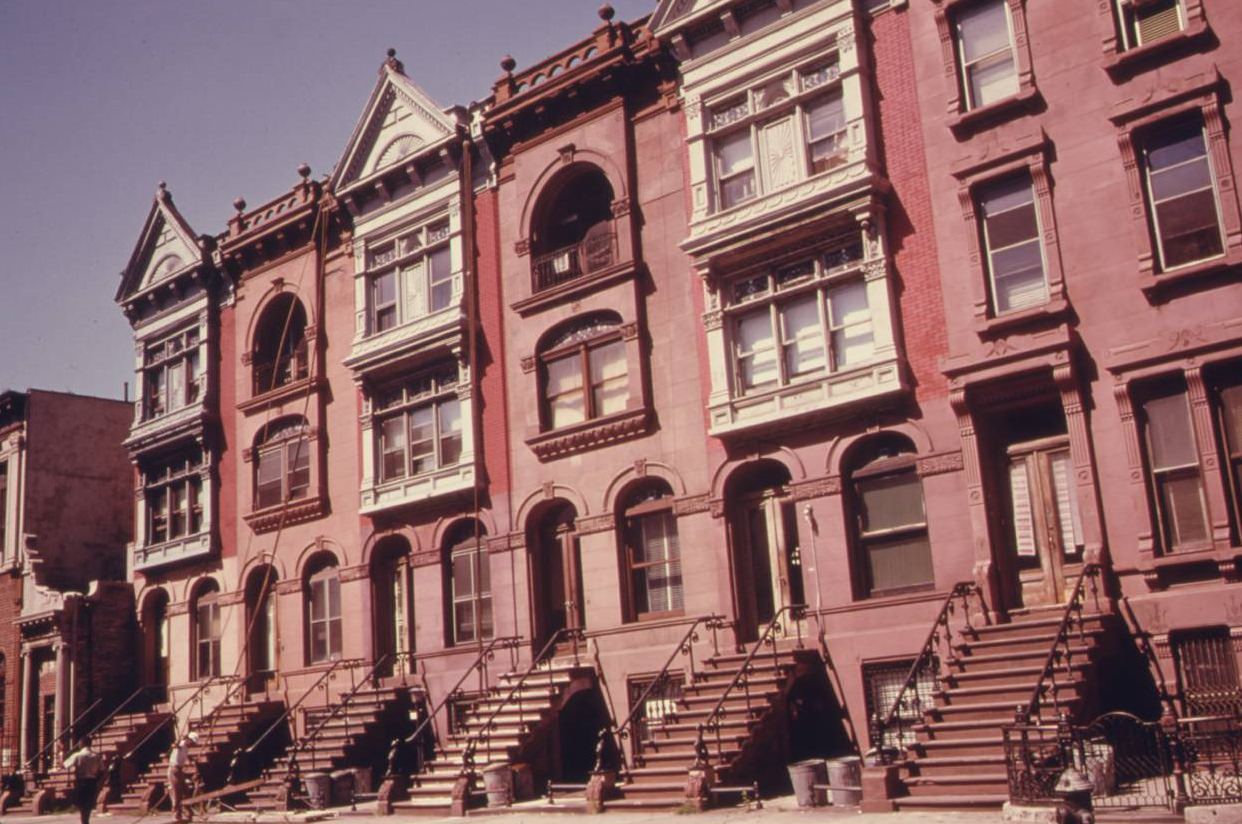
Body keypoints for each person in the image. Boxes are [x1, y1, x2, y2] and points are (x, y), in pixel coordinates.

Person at [63, 736, 106, 824]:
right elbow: (102, 770)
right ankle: (86, 820)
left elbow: (65, 765)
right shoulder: (96, 756)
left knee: (82, 805)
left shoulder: (78, 755)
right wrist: (97, 780)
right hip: (92, 782)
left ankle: (84, 821)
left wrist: (62, 753)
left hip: (81, 782)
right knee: (88, 804)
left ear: (82, 744)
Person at [167, 730, 198, 822]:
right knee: (176, 793)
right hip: (174, 770)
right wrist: (175, 744)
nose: (192, 745)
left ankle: (188, 813)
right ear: (189, 740)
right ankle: (176, 816)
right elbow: (175, 746)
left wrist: (190, 761)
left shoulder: (186, 747)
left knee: (186, 791)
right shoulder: (182, 743)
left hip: (180, 770)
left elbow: (184, 756)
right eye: (192, 742)